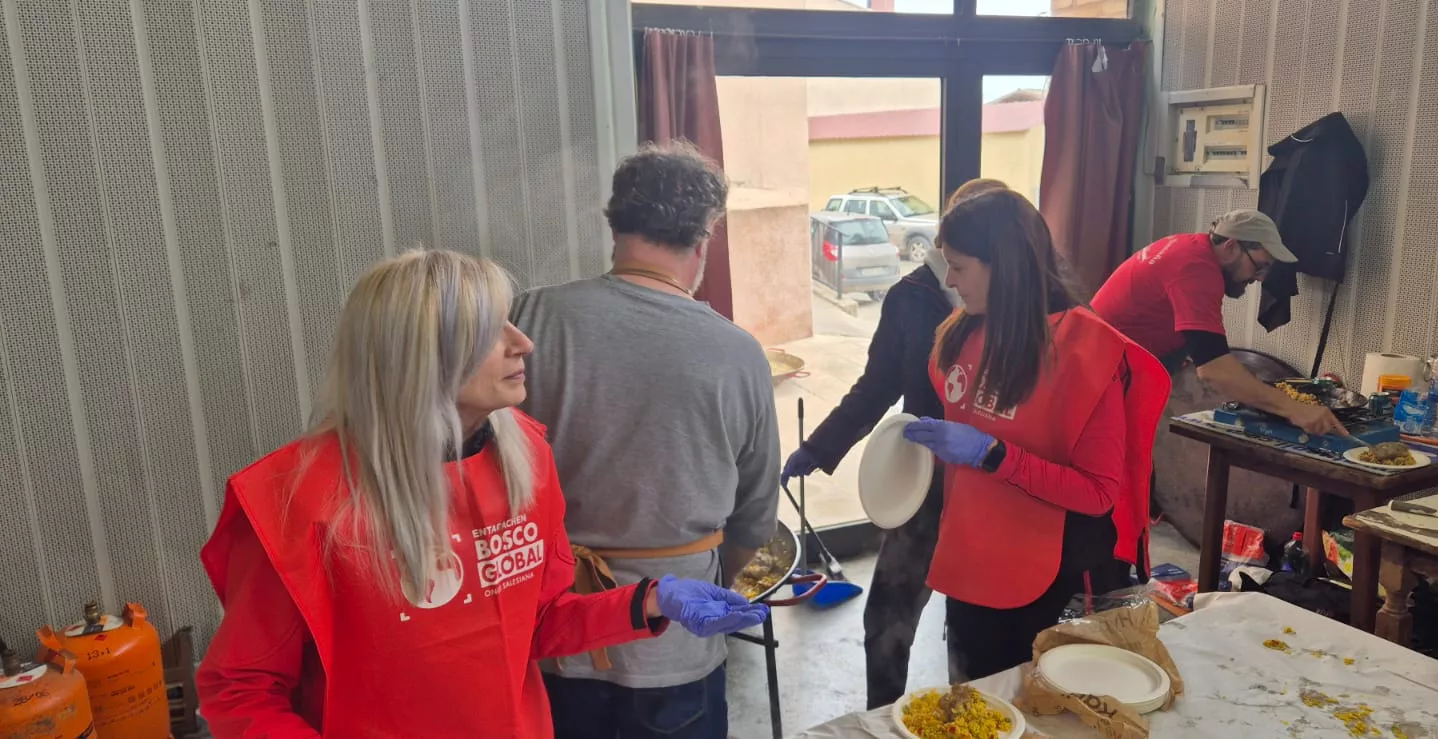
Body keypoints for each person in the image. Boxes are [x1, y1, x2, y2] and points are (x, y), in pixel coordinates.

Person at [195, 251, 767, 738]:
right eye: (493, 331)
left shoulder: (523, 458)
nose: (523, 343)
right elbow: (240, 689)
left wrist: (648, 601)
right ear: (424, 355)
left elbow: (536, 622)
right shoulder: (299, 500)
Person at [511, 142, 780, 738]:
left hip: (550, 636)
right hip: (674, 655)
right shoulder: (738, 353)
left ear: (614, 226)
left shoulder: (527, 319)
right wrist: (707, 585)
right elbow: (756, 517)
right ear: (704, 238)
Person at [900, 190, 1171, 682]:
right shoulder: (962, 332)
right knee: (972, 702)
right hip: (971, 559)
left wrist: (993, 454)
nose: (949, 280)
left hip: (1047, 574)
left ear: (1004, 266)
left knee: (1036, 706)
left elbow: (1097, 494)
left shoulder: (1085, 352)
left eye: (959, 267)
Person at [781, 177, 1005, 709]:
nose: (955, 271)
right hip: (922, 481)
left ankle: (974, 714)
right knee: (888, 616)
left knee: (975, 619)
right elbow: (880, 382)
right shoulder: (912, 298)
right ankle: (884, 718)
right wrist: (821, 445)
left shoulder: (1025, 308)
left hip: (996, 482)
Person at [1091, 209, 1345, 436]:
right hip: (1099, 379)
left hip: (1105, 366)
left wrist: (1187, 348)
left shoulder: (1189, 247)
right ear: (1231, 246)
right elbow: (1214, 370)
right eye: (1258, 267)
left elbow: (1179, 326)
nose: (1258, 278)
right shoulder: (1197, 270)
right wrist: (1294, 409)